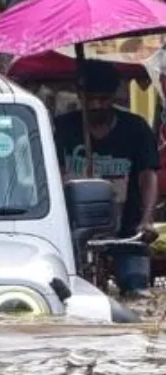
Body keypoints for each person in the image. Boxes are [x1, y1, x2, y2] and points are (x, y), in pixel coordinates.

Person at [54, 60, 160, 300]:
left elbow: (148, 176)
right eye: (90, 99)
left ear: (113, 97)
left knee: (137, 289)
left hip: (127, 229)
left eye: (103, 99)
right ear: (80, 96)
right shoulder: (61, 129)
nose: (96, 105)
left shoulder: (136, 129)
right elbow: (51, 175)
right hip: (73, 231)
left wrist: (146, 220)